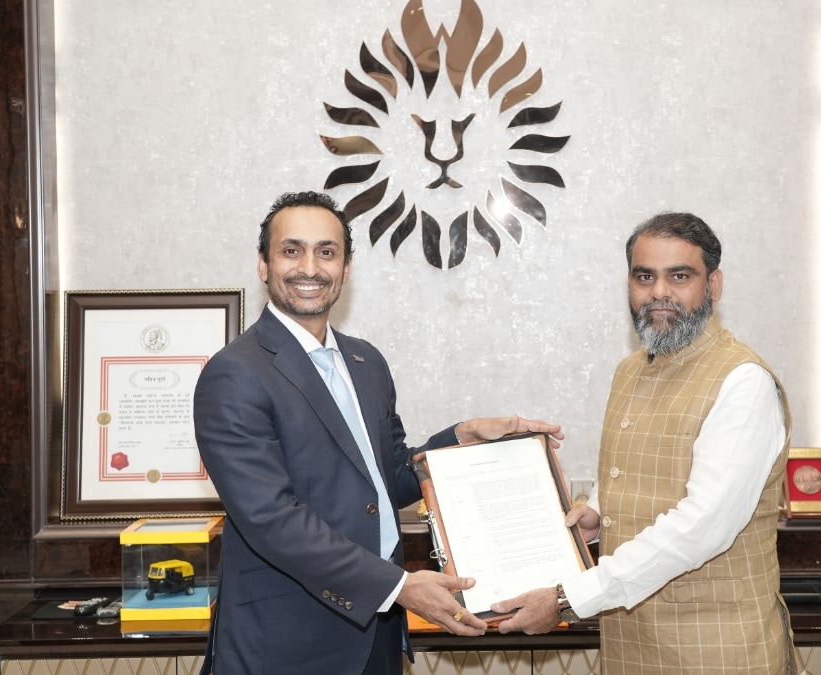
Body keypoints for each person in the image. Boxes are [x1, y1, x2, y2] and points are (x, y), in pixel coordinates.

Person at [193, 190, 562, 675]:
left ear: (346, 267)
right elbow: (272, 519)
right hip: (286, 644)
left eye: (327, 252)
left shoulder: (365, 362)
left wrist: (460, 440)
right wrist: (398, 586)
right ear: (263, 264)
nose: (310, 268)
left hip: (377, 637)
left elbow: (386, 480)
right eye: (291, 250)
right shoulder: (235, 373)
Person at [491, 212, 794, 674]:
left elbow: (703, 525)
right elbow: (643, 468)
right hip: (630, 644)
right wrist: (600, 512)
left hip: (717, 650)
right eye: (644, 276)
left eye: (680, 276)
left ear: (713, 285)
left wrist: (567, 598)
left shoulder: (743, 381)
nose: (659, 292)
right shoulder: (630, 370)